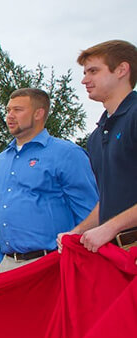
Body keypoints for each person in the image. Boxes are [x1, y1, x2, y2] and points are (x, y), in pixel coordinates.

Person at [0, 88, 98, 273]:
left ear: (39, 113)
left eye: (18, 110)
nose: (10, 116)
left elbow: (90, 210)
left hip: (54, 263)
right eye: (8, 110)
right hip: (7, 267)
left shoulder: (67, 154)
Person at [59, 40, 137, 253]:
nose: (84, 80)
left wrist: (110, 228)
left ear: (121, 69)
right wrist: (78, 231)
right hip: (117, 255)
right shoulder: (96, 136)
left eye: (93, 71)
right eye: (84, 73)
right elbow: (109, 200)